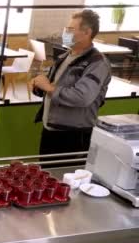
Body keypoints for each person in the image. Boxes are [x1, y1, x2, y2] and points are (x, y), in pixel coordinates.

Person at [29, 9, 111, 156]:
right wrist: (38, 86)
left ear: (87, 32)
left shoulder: (97, 63)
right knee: (47, 174)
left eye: (70, 29)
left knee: (64, 177)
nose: (65, 33)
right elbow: (51, 86)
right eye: (66, 29)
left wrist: (47, 87)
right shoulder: (65, 56)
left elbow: (82, 97)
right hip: (51, 130)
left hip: (73, 136)